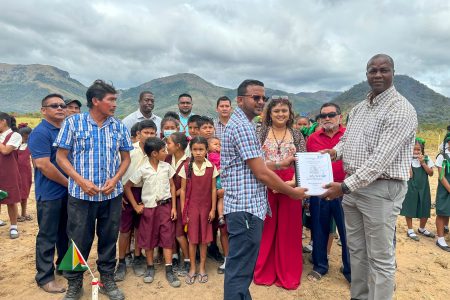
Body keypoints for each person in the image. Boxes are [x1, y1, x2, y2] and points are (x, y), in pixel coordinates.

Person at [321, 54, 418, 300]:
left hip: (381, 189)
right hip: (354, 188)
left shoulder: (401, 109)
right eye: (372, 70)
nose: (377, 75)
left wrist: (343, 187)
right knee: (357, 251)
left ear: (393, 72)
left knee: (380, 258)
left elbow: (379, 161)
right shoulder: (359, 108)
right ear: (366, 74)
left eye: (383, 70)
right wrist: (333, 152)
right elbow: (347, 140)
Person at [222, 79, 307, 300]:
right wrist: (292, 192)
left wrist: (279, 164)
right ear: (240, 100)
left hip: (246, 207)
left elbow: (252, 164)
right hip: (245, 209)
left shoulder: (246, 125)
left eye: (263, 98)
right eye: (255, 97)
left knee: (242, 268)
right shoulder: (243, 127)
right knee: (240, 268)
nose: (261, 102)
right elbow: (260, 172)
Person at [55, 79, 133, 300]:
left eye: (115, 99)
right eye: (111, 100)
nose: (115, 104)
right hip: (81, 195)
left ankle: (107, 279)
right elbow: (60, 157)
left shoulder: (119, 126)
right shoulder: (73, 123)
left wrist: (116, 178)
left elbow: (126, 158)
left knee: (109, 238)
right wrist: (80, 180)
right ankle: (74, 282)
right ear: (96, 101)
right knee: (78, 239)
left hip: (111, 195)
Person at [253, 96, 306, 290]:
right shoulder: (261, 132)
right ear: (269, 113)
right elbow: (255, 161)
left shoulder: (297, 134)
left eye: (284, 111)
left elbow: (303, 162)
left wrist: (290, 184)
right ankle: (265, 271)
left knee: (289, 230)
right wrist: (270, 182)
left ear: (290, 113)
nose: (280, 114)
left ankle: (288, 273)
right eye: (276, 111)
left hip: (291, 187)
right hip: (264, 184)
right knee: (267, 230)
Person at [124, 137, 181, 287]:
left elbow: (173, 186)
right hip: (149, 209)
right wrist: (136, 206)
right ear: (154, 153)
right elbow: (127, 186)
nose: (166, 152)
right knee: (149, 237)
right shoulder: (143, 170)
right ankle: (150, 267)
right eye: (163, 151)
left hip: (165, 207)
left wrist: (174, 207)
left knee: (167, 236)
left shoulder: (166, 167)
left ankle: (169, 269)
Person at [305, 103, 351, 283]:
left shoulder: (348, 136)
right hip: (320, 192)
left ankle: (349, 270)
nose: (327, 118)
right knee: (319, 229)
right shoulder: (313, 138)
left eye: (331, 114)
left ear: (340, 116)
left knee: (348, 232)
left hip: (345, 190)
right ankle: (320, 266)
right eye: (323, 116)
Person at [28, 94, 69, 294]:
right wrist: (69, 183)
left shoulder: (65, 130)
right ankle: (45, 277)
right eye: (54, 106)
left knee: (67, 233)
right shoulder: (41, 132)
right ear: (43, 110)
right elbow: (43, 164)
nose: (60, 108)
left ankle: (65, 266)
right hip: (50, 193)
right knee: (48, 236)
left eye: (62, 105)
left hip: (67, 192)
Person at [114, 120, 158, 282]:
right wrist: (118, 194)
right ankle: (122, 261)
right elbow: (116, 171)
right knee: (125, 229)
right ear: (138, 135)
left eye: (152, 133)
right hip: (127, 192)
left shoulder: (155, 153)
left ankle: (138, 257)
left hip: (146, 192)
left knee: (141, 227)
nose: (149, 136)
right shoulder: (128, 151)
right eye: (146, 133)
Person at [179, 136, 218, 285]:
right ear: (191, 151)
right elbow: (182, 190)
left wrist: (213, 209)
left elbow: (214, 189)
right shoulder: (186, 167)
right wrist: (184, 210)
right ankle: (192, 268)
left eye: (201, 149)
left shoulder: (211, 167)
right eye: (195, 149)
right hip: (192, 209)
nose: (198, 152)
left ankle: (202, 268)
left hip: (206, 208)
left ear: (206, 150)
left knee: (204, 240)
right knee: (192, 239)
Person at [165, 132, 191, 274]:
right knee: (170, 231)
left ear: (178, 146)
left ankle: (187, 259)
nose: (166, 146)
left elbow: (185, 188)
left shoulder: (188, 163)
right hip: (168, 201)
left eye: (169, 143)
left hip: (181, 202)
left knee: (180, 233)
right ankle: (174, 256)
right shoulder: (167, 159)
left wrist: (172, 194)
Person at [400, 138, 435, 241]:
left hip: (423, 187)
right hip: (411, 187)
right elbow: (408, 175)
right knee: (409, 206)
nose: (416, 152)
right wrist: (408, 167)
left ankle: (422, 228)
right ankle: (410, 229)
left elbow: (431, 173)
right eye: (413, 149)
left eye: (418, 149)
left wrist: (423, 163)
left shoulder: (427, 159)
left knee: (425, 205)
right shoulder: (407, 160)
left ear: (422, 149)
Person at [0, 112, 22, 239]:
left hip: (9, 172)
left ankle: (14, 226)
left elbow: (5, 150)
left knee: (11, 199)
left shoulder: (15, 135)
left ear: (3, 121)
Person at [434, 134, 450, 252]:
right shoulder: (442, 157)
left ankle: (445, 228)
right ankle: (440, 239)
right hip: (445, 189)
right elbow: (441, 176)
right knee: (442, 212)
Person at [17, 123, 33, 222]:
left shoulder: (29, 146)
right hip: (15, 172)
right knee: (15, 193)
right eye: (25, 137)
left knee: (25, 193)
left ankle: (23, 213)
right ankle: (17, 214)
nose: (27, 139)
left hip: (26, 172)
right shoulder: (14, 146)